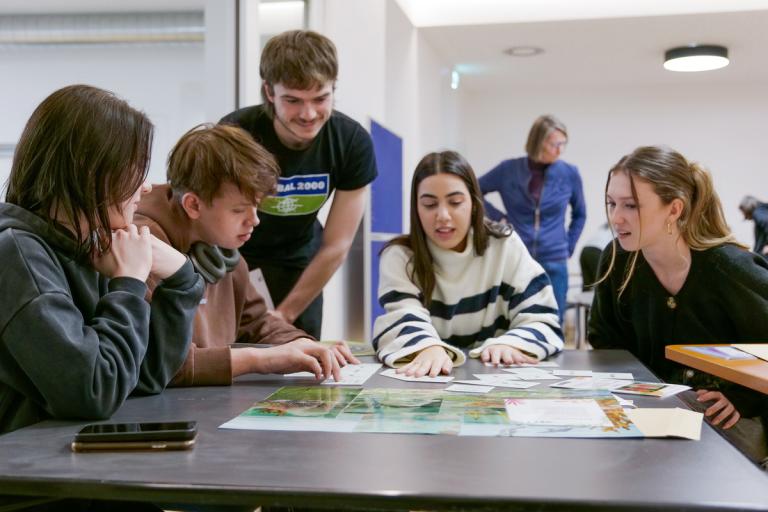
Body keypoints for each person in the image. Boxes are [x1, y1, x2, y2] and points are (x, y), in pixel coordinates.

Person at [135, 123, 359, 386]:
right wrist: (260, 360)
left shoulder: (219, 247)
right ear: (193, 205)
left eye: (256, 206)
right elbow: (160, 364)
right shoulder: (141, 247)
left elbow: (257, 322)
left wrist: (299, 343)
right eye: (239, 210)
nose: (254, 220)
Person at [588, 145, 768, 468]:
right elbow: (604, 340)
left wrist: (744, 397)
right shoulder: (616, 260)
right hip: (653, 412)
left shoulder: (727, 268)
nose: (616, 218)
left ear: (674, 210)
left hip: (729, 419)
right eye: (612, 203)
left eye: (631, 205)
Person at [220, 30, 378, 339]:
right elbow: (214, 225)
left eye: (321, 99)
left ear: (334, 88)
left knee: (298, 368)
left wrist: (284, 314)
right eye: (293, 100)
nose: (308, 114)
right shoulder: (235, 134)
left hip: (302, 266)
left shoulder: (351, 142)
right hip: (236, 259)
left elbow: (337, 244)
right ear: (269, 91)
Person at [373, 151, 563, 377]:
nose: (443, 215)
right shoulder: (400, 256)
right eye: (429, 204)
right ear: (416, 208)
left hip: (496, 384)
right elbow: (400, 316)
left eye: (455, 202)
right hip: (430, 384)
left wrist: (512, 344)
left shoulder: (504, 245)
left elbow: (542, 317)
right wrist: (428, 347)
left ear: (474, 203)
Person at [479, 114, 586, 323]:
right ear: (538, 141)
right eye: (554, 144)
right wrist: (498, 218)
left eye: (563, 144)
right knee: (512, 320)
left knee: (553, 322)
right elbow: (473, 190)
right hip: (516, 256)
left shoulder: (569, 173)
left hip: (555, 261)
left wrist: (568, 246)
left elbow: (580, 214)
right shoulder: (508, 170)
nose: (560, 149)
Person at [579, 222, 613, 290]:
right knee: (601, 281)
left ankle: (584, 298)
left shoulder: (603, 227)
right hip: (597, 250)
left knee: (587, 282)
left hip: (585, 250)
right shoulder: (617, 229)